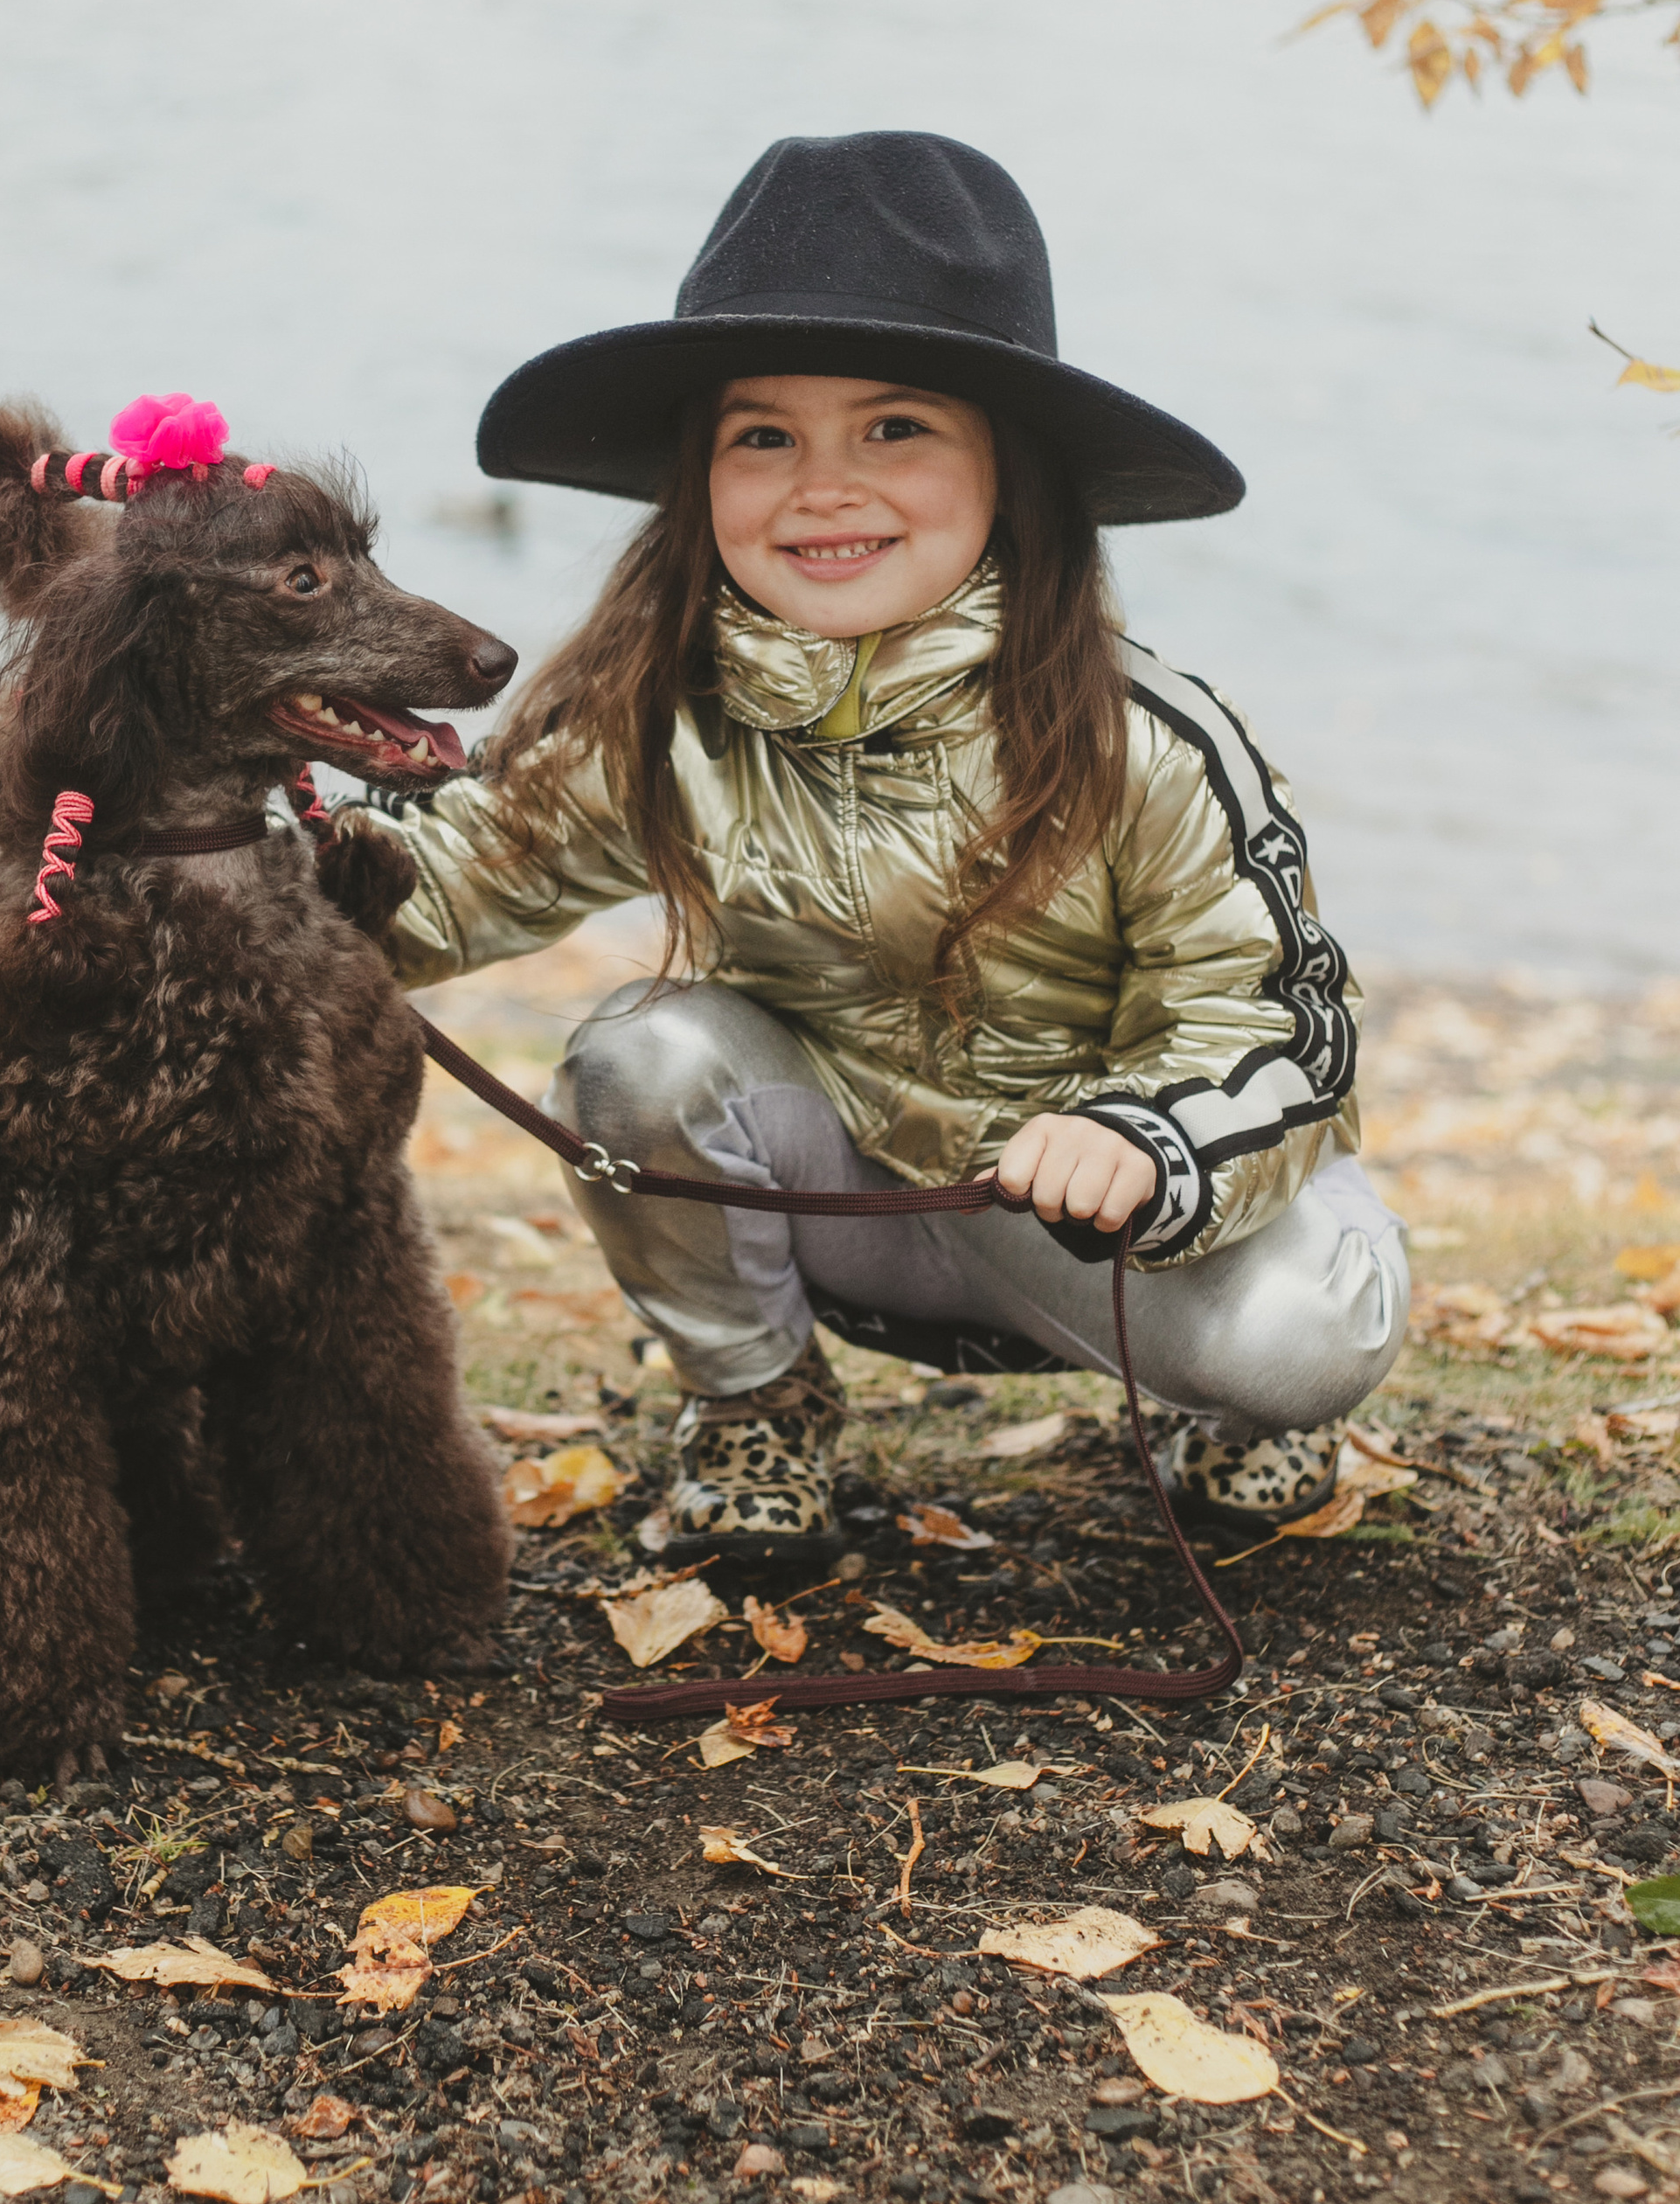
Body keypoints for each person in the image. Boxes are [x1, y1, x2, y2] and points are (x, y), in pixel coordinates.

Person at [356, 133, 1407, 1554]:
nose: (823, 487)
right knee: (635, 1054)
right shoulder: (661, 716)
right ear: (698, 474)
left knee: (1299, 1340)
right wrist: (227, 841)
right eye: (764, 437)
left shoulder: (1149, 739)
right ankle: (757, 1402)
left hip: (1108, 1231)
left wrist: (1146, 1143)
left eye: (895, 428)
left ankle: (1234, 1406)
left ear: (1009, 468)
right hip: (847, 1200)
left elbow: (1280, 1022)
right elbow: (455, 871)